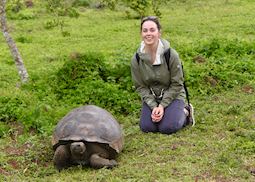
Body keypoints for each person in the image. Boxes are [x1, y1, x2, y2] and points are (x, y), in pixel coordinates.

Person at [131, 16, 195, 134]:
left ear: (159, 32)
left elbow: (177, 84)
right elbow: (140, 86)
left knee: (167, 128)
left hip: (173, 95)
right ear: (141, 33)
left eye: (152, 30)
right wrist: (153, 105)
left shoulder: (171, 55)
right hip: (152, 96)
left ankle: (186, 112)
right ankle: (165, 114)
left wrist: (162, 106)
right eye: (145, 31)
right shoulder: (136, 59)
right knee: (147, 127)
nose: (148, 34)